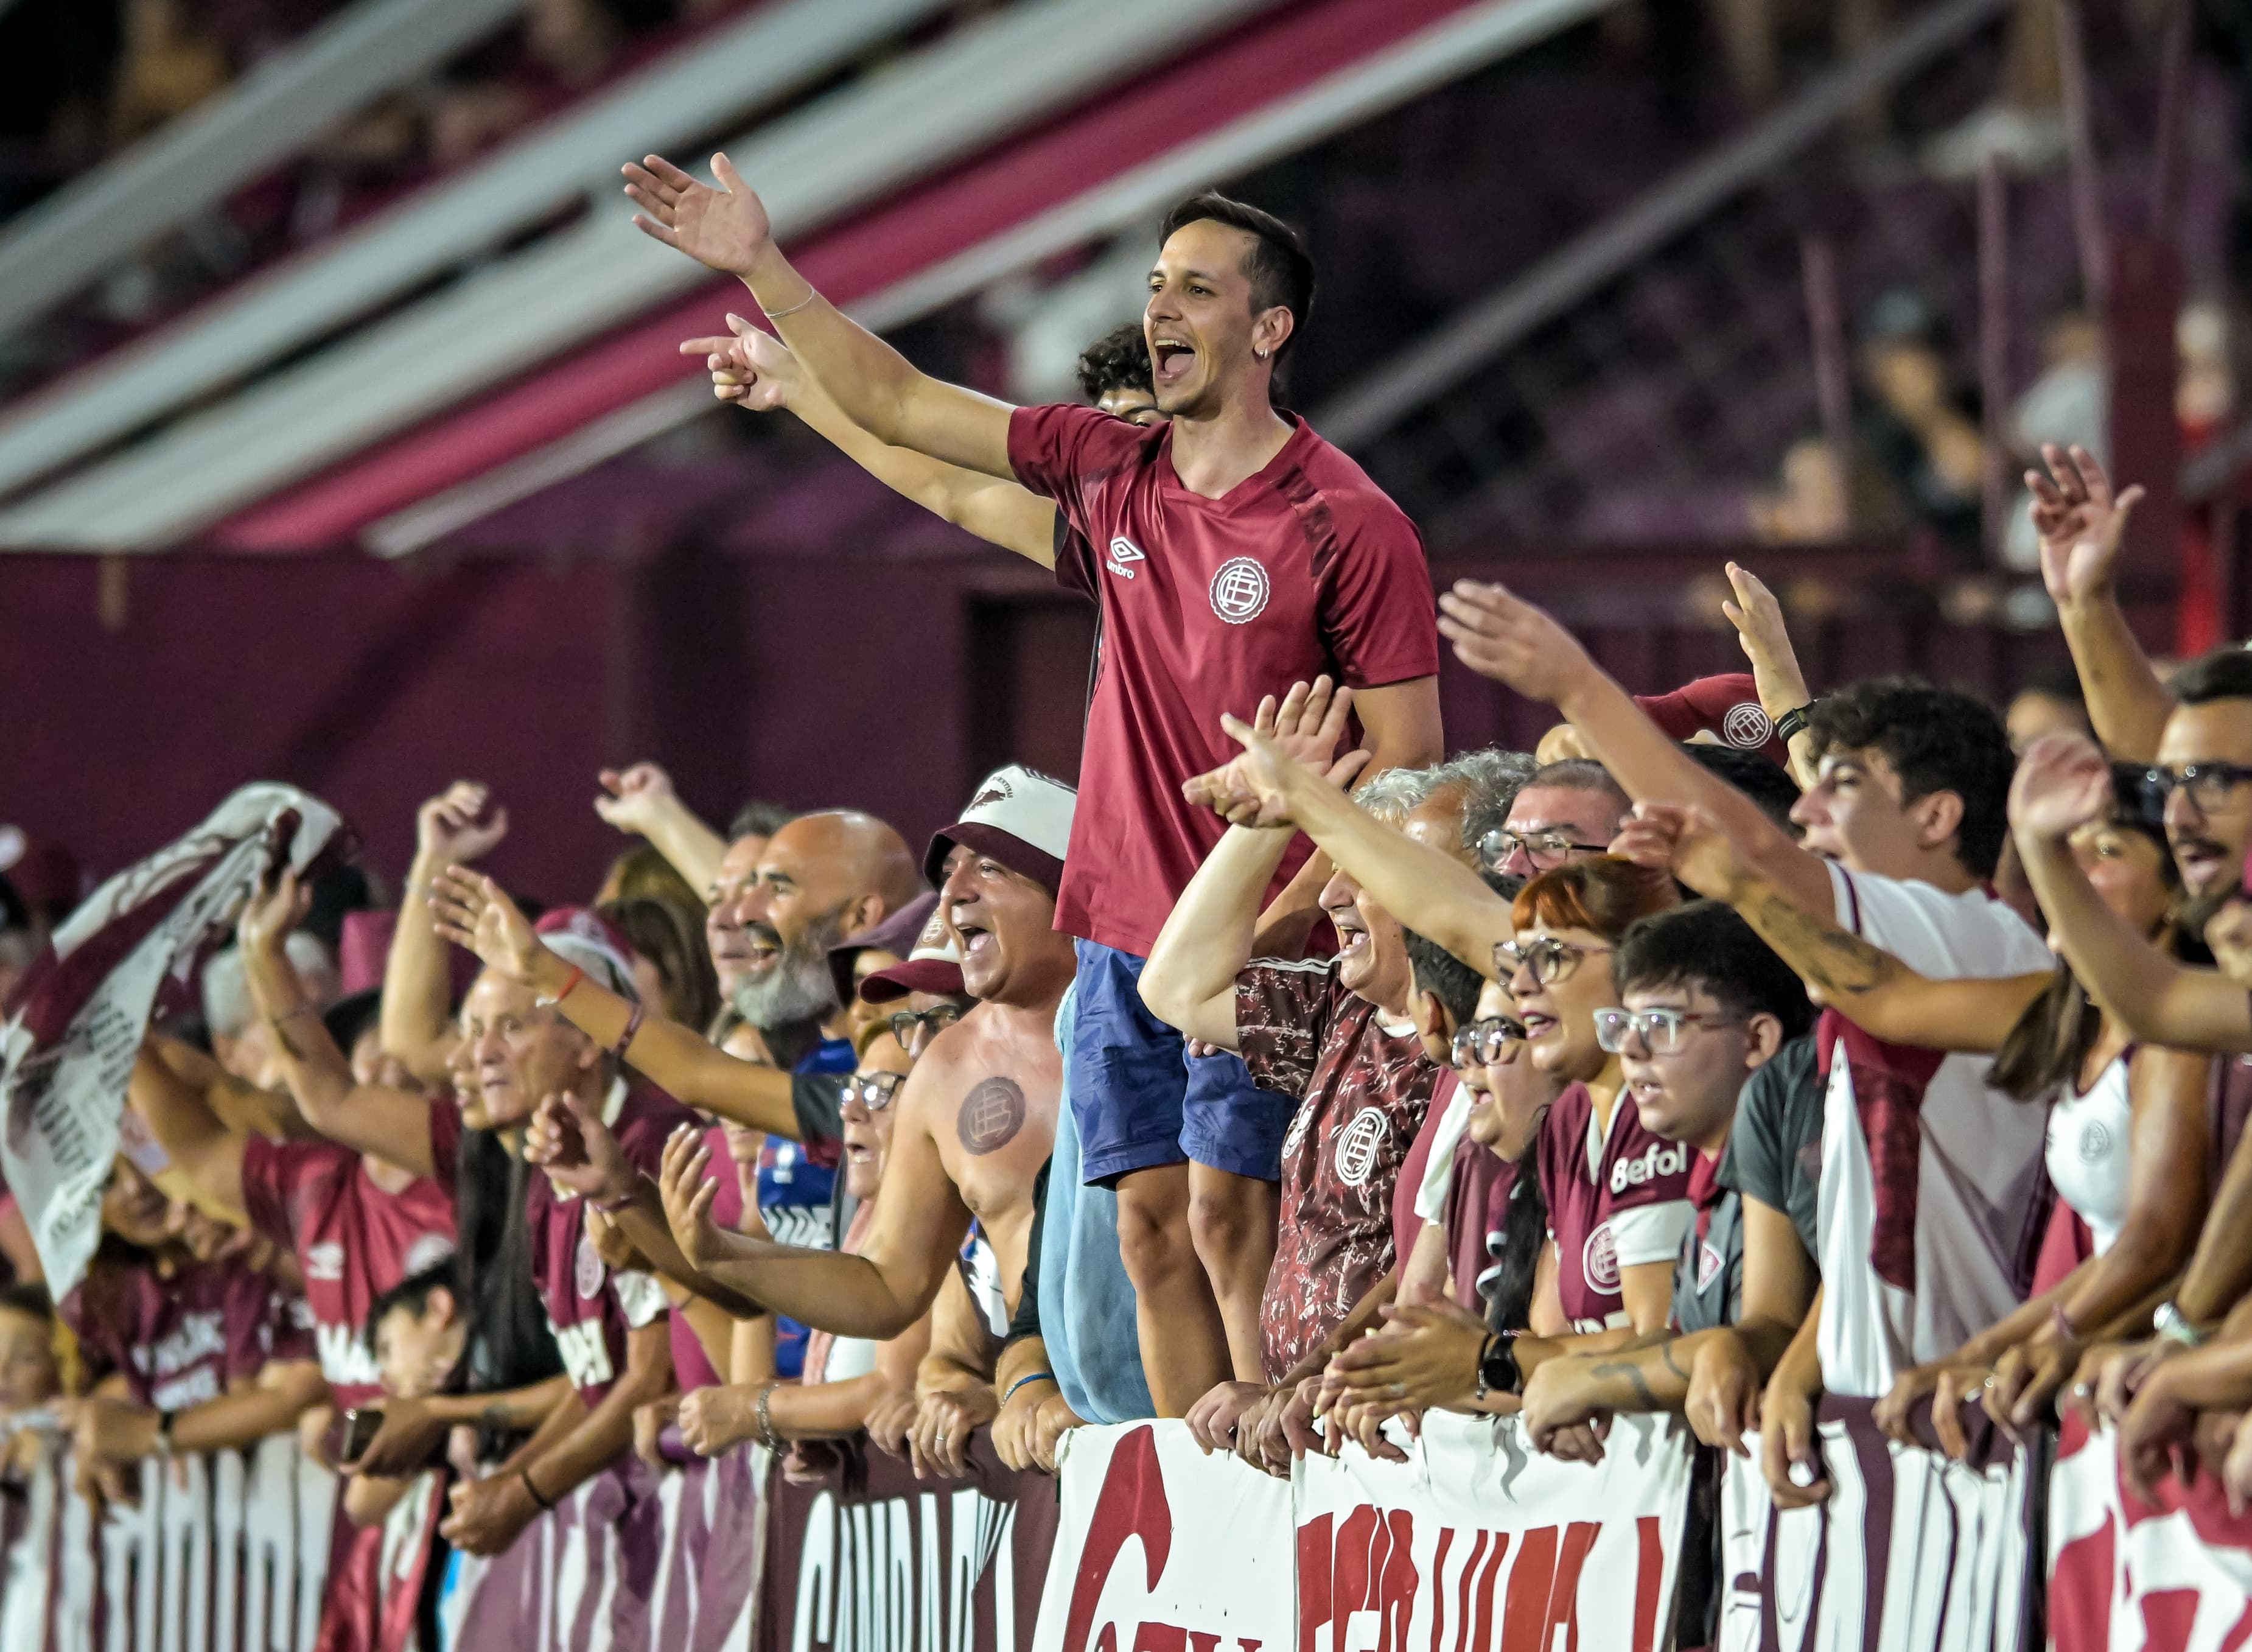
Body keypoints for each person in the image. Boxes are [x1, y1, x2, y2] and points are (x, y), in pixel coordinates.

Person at [629, 155, 1445, 1412]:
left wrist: (1313, 910)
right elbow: (902, 408)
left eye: (1198, 290)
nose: (1161, 309)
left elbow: (1408, 762)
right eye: (1156, 282)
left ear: (1269, 328)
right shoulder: (1107, 467)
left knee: (1239, 1217)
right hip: (1121, 926)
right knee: (1148, 1233)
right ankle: (1194, 1490)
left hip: (1264, 930)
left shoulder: (1348, 522)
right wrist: (765, 269)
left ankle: (1291, 1464)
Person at [1436, 579, 2053, 1425]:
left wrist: (1579, 685)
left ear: (1938, 815)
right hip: (1903, 1416)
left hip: (1970, 1415)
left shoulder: (1964, 936)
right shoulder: (1914, 954)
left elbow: (1761, 846)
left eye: (1842, 785)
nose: (1807, 806)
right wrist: (1810, 1367)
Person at [642, 769, 1078, 1452]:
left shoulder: (1155, 1028)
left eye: (988, 865)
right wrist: (721, 1252)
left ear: (1070, 890)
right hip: (1048, 1420)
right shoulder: (948, 1070)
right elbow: (888, 1283)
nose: (956, 889)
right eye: (952, 868)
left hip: (1175, 1415)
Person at [292, 903, 691, 1559]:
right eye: (473, 1030)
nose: (480, 1054)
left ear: (588, 1037)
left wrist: (527, 1490)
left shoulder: (647, 1148)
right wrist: (509, 1483)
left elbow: (650, 1379)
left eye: (511, 1027)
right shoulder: (539, 1181)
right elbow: (595, 1381)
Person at [1141, 681, 1460, 1407]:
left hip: (1394, 1413)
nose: (1329, 895)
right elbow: (1176, 987)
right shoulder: (1339, 1011)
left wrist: (1304, 1382)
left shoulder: (1482, 1043)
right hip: (1314, 1423)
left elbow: (1434, 1253)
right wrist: (1265, 820)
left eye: (1368, 868)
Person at [688, 320, 1163, 569]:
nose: (1113, 447)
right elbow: (953, 489)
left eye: (1138, 424)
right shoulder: (1113, 541)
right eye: (1105, 422)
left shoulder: (1231, 535)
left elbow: (901, 404)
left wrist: (760, 265)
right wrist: (797, 389)